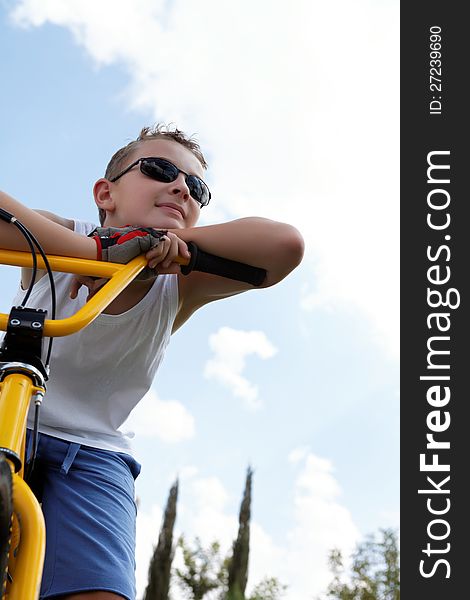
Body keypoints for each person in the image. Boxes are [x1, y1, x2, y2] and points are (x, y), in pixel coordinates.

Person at [0, 124, 304, 600]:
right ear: (106, 193)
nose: (181, 186)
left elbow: (285, 245)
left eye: (195, 187)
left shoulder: (183, 283)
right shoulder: (59, 234)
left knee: (100, 591)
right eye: (160, 170)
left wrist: (165, 249)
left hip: (94, 455)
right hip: (7, 419)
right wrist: (97, 250)